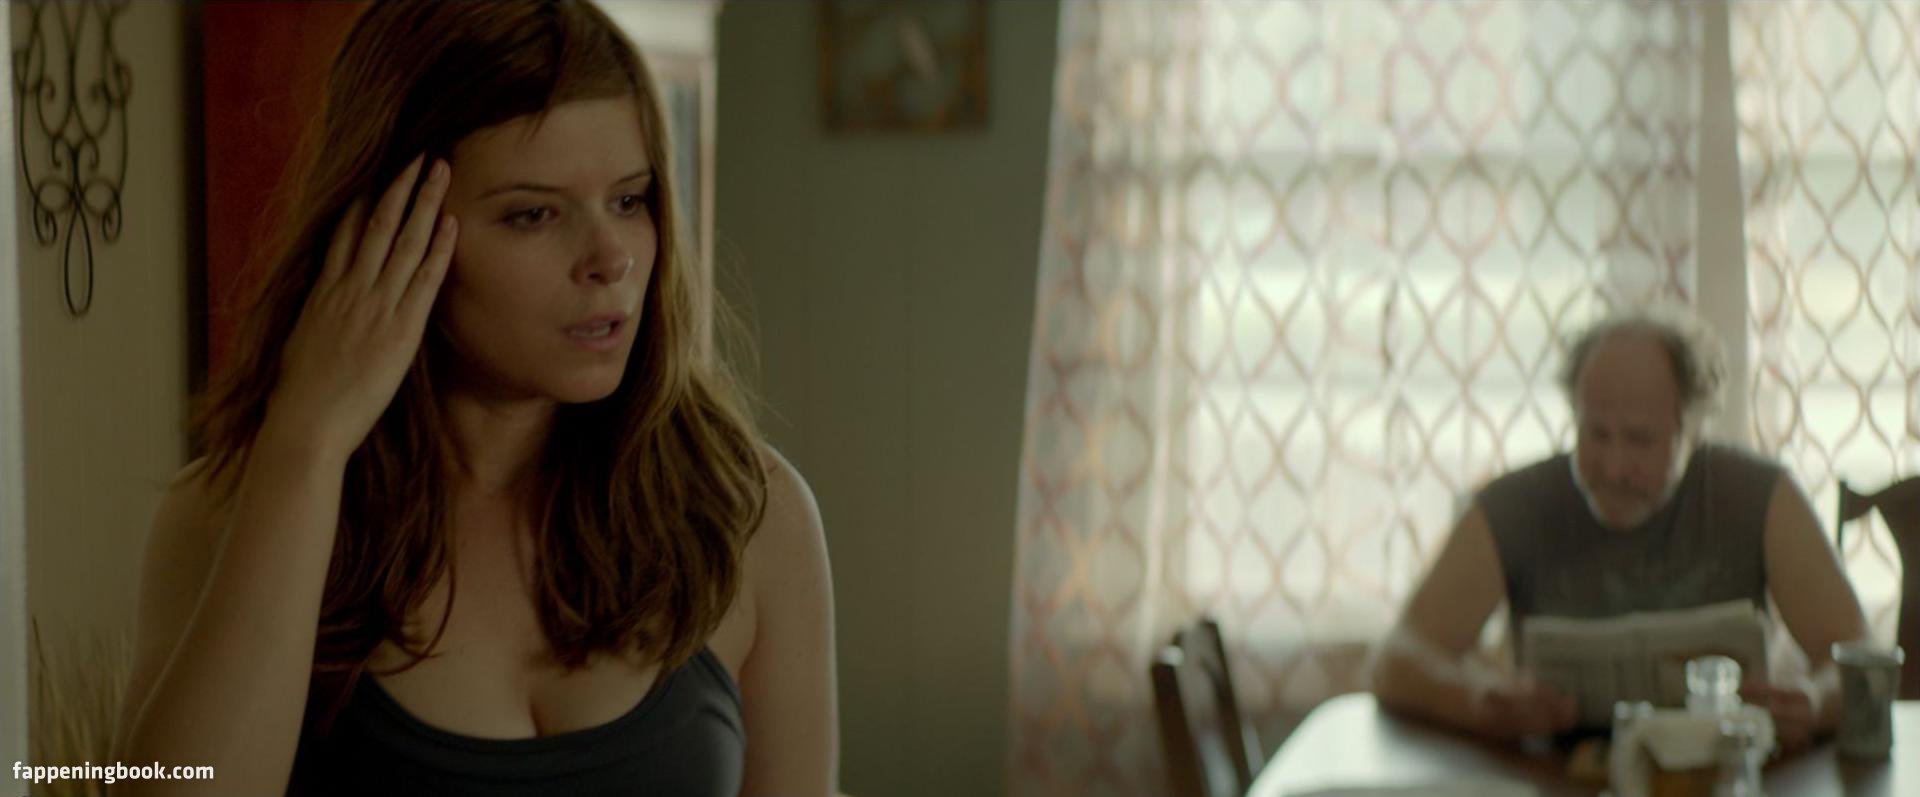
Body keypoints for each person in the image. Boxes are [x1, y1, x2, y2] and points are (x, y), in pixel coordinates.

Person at [109, 2, 836, 795]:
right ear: (388, 229)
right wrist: (308, 442)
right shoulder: (226, 513)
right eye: (534, 213)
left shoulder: (750, 514)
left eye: (629, 200)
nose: (611, 258)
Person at [1369, 308, 1867, 754]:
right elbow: (1396, 659)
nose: (1613, 467)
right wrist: (1479, 702)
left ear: (1692, 428)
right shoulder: (1516, 505)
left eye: (1641, 440)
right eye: (1596, 434)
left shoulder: (1758, 495)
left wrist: (1813, 702)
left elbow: (1859, 656)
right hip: (1554, 777)